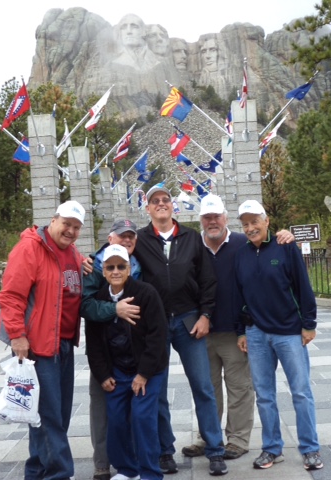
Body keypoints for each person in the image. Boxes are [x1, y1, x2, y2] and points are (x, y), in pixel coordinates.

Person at [182, 194, 295, 461]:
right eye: (207, 217)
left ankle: (237, 440)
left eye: (216, 216)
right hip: (200, 331)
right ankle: (207, 437)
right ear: (201, 220)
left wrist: (286, 236)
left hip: (235, 331)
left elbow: (271, 251)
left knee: (240, 389)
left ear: (225, 218)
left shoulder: (244, 242)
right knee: (206, 389)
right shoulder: (191, 246)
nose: (212, 222)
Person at [133, 184, 228, 477]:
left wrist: (205, 315)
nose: (161, 204)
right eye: (155, 201)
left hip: (189, 321)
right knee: (157, 391)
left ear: (172, 206)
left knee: (203, 386)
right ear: (147, 208)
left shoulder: (190, 237)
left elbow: (207, 280)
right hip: (156, 324)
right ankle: (164, 451)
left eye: (165, 200)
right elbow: (115, 258)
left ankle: (214, 449)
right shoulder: (138, 239)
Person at [0, 200, 87, 480]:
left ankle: (36, 472)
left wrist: (88, 263)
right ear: (53, 219)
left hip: (63, 343)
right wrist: (17, 336)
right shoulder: (30, 248)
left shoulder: (72, 253)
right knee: (49, 417)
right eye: (66, 224)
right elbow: (11, 296)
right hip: (36, 345)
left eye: (76, 227)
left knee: (50, 414)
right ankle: (60, 473)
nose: (70, 231)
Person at [234, 200, 323, 471]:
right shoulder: (242, 254)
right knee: (264, 395)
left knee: (300, 392)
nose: (250, 228)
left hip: (289, 333)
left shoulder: (286, 247)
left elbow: (303, 287)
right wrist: (242, 331)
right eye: (245, 223)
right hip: (257, 334)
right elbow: (239, 295)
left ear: (266, 221)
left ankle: (310, 449)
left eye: (254, 222)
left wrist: (309, 324)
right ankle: (272, 448)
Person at [85, 244, 169, 480]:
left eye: (121, 266)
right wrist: (103, 375)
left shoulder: (146, 293)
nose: (115, 271)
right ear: (103, 271)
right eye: (110, 267)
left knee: (142, 416)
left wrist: (143, 374)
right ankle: (127, 469)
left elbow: (157, 336)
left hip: (147, 370)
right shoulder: (99, 300)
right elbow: (94, 344)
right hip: (118, 370)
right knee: (116, 418)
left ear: (129, 268)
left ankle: (150, 472)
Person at [81, 219, 143, 480]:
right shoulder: (93, 268)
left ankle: (137, 461)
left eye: (131, 236)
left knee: (137, 409)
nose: (127, 240)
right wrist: (114, 310)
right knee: (103, 408)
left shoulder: (140, 266)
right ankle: (103, 462)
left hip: (134, 351)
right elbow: (84, 306)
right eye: (121, 236)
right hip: (105, 350)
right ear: (110, 238)